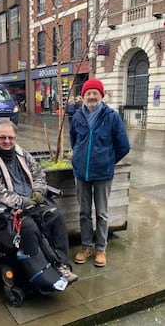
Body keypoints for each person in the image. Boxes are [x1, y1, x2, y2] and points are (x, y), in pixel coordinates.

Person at [0, 119, 78, 285]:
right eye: (3, 137)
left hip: (31, 202)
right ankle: (38, 272)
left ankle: (61, 264)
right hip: (8, 210)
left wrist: (38, 191)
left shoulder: (21, 153)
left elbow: (38, 174)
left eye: (11, 137)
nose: (7, 141)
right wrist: (21, 202)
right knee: (29, 227)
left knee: (56, 215)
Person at [70, 79, 130, 267]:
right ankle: (86, 246)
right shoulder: (77, 117)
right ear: (83, 96)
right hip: (81, 173)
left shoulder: (112, 116)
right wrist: (79, 157)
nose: (92, 96)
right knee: (84, 212)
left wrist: (107, 161)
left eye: (96, 93)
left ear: (102, 96)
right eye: (89, 93)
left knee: (102, 213)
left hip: (103, 174)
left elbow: (124, 146)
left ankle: (101, 249)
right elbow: (74, 141)